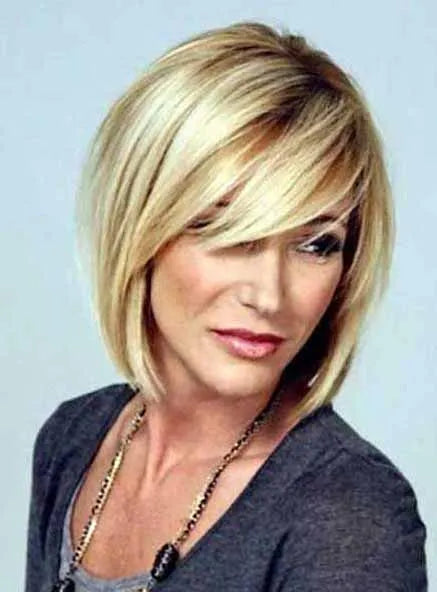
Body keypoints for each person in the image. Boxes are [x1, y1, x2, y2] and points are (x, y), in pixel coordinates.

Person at [25, 20, 428, 592]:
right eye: (230, 232)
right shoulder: (73, 441)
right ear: (140, 229)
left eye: (316, 245)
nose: (269, 296)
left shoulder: (348, 517)